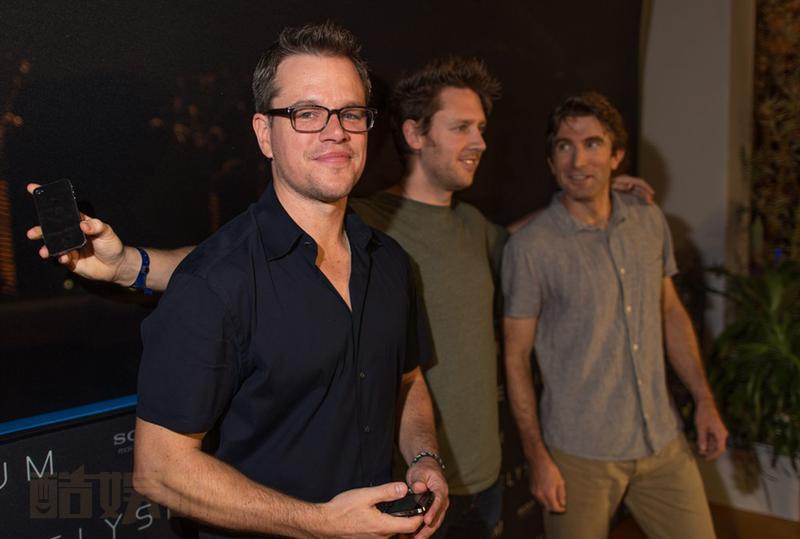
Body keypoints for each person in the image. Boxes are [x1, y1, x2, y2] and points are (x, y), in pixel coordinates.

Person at [43, 23, 450, 539]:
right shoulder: (213, 283)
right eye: (307, 113)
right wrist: (320, 524)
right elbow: (160, 470)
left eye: (351, 113)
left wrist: (424, 457)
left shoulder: (390, 263)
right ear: (264, 134)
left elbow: (408, 380)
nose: (336, 132)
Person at [501, 91, 728, 539]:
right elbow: (515, 358)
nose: (578, 160)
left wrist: (704, 398)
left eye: (593, 143)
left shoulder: (648, 220)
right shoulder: (531, 248)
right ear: (551, 161)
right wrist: (537, 456)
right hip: (579, 455)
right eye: (564, 146)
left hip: (661, 441)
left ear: (617, 155)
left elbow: (671, 313)